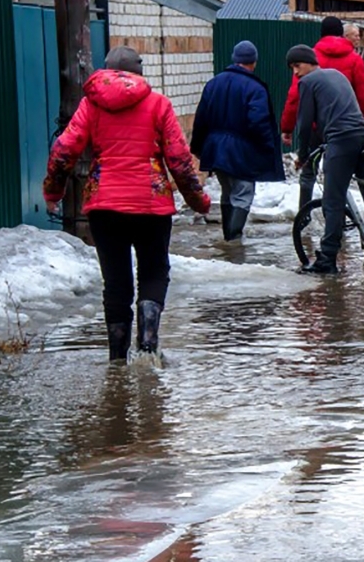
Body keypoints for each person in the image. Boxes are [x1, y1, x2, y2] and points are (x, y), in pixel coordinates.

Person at [43, 46, 211, 361]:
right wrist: (199, 201)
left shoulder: (90, 105)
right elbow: (178, 160)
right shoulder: (158, 104)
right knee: (153, 271)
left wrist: (53, 192)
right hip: (151, 205)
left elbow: (64, 151)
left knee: (116, 281)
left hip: (104, 206)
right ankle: (148, 346)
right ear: (140, 72)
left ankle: (117, 358)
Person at [288, 44, 364, 274]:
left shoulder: (307, 83)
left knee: (333, 199)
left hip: (342, 141)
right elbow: (335, 113)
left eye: (297, 66)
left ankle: (327, 259)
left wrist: (303, 155)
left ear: (309, 62)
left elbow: (306, 123)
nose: (296, 73)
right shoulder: (337, 76)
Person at [280, 16, 364, 210]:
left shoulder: (310, 59)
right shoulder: (354, 59)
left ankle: (305, 212)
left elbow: (295, 96)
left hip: (315, 127)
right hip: (346, 129)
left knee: (309, 171)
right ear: (342, 34)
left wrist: (287, 127)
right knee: (352, 176)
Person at [190, 40, 285, 241]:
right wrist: (267, 147)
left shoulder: (214, 83)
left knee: (227, 191)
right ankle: (234, 238)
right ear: (254, 62)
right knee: (242, 193)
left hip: (216, 149)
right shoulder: (254, 87)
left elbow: (201, 118)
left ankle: (228, 235)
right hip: (242, 151)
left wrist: (198, 147)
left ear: (234, 59)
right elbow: (259, 122)